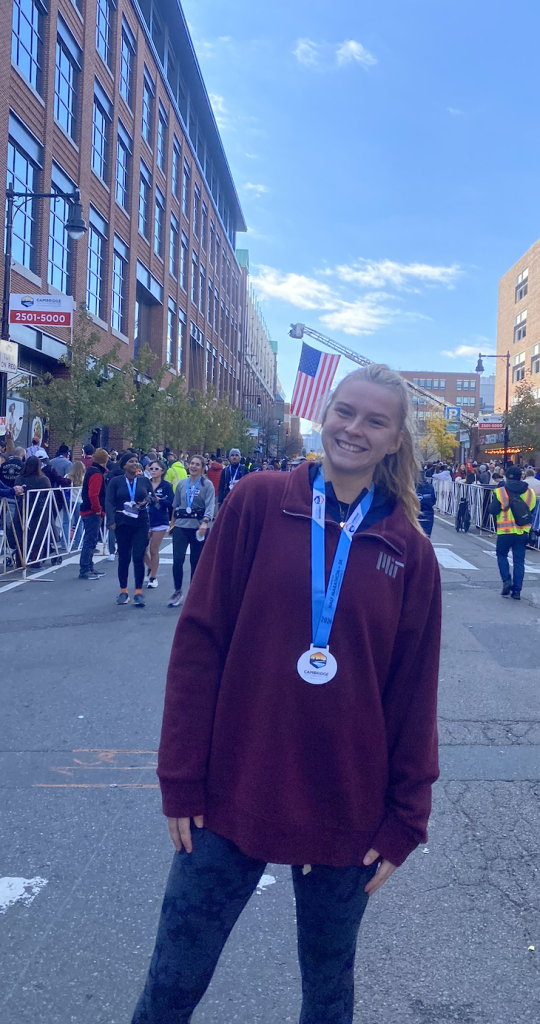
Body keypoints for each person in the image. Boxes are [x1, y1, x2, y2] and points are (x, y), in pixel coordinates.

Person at [131, 363, 441, 1024]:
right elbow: (199, 640)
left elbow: (413, 697)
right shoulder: (258, 501)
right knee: (171, 983)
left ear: (394, 441)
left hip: (346, 807)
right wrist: (180, 777)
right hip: (229, 789)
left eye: (374, 421)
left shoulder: (407, 551)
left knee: (328, 995)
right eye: (345, 412)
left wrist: (404, 820)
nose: (353, 429)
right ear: (323, 415)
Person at [105, 453, 153, 607]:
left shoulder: (144, 480)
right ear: (124, 465)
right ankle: (123, 591)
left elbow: (152, 496)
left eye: (136, 461)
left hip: (140, 522)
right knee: (124, 557)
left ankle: (138, 592)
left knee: (138, 556)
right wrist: (110, 520)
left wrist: (148, 500)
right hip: (122, 522)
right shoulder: (116, 481)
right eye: (131, 462)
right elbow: (110, 501)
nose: (135, 464)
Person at [168, 456, 215, 608]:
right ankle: (177, 590)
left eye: (197, 464)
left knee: (196, 562)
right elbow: (176, 506)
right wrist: (172, 525)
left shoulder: (207, 485)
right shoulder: (182, 484)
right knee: (177, 560)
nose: (194, 467)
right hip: (181, 526)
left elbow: (210, 505)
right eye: (192, 464)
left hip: (198, 527)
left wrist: (205, 522)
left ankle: (194, 594)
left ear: (202, 467)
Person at [489, 465, 537, 600]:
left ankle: (506, 580)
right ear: (521, 477)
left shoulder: (500, 492)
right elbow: (531, 511)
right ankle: (517, 591)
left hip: (505, 531)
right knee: (519, 561)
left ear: (506, 477)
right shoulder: (530, 493)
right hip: (522, 531)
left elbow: (492, 510)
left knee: (502, 555)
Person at [13, 456, 51, 567]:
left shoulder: (19, 479)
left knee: (21, 534)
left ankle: (20, 560)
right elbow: (49, 494)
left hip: (22, 508)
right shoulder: (43, 480)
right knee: (37, 534)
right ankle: (35, 561)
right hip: (38, 510)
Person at [78, 449, 109, 581]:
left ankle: (89, 567)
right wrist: (97, 509)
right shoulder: (97, 474)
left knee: (90, 540)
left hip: (88, 509)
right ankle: (85, 569)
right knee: (90, 541)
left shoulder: (92, 471)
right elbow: (93, 494)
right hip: (92, 511)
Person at [144, 460, 174, 589]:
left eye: (156, 468)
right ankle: (150, 567)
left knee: (153, 550)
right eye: (151, 468)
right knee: (139, 549)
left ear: (162, 471)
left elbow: (172, 502)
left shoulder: (166, 485)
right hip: (144, 519)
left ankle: (153, 577)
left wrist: (159, 500)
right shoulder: (145, 483)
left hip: (160, 520)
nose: (153, 470)